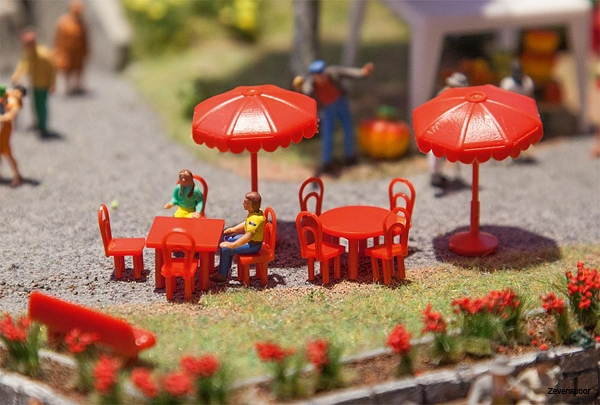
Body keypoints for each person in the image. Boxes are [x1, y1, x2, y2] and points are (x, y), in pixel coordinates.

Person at [293, 60, 374, 176]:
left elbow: (347, 73)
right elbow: (305, 93)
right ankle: (327, 163)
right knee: (327, 135)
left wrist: (362, 72)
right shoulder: (311, 85)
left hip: (341, 103)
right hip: (327, 109)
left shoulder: (333, 73)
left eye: (321, 74)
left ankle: (350, 158)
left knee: (348, 130)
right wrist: (300, 88)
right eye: (317, 76)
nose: (320, 78)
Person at [210, 192, 265, 283]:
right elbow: (246, 222)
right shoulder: (255, 213)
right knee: (227, 239)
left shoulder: (255, 220)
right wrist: (234, 229)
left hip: (253, 245)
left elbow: (248, 236)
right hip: (251, 241)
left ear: (252, 205)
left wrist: (233, 245)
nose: (243, 203)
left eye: (245, 202)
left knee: (226, 249)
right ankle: (224, 266)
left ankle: (222, 275)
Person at [11, 29, 56, 138]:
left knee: (41, 107)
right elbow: (24, 64)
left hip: (43, 85)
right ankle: (37, 123)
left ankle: (43, 128)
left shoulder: (43, 55)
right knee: (34, 105)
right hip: (34, 83)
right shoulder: (29, 53)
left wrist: (52, 84)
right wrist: (17, 75)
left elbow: (52, 69)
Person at [429, 72, 469, 188]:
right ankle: (435, 176)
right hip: (439, 127)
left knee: (443, 154)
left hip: (449, 127)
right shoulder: (444, 94)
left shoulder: (458, 96)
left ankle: (438, 174)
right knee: (436, 153)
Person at [53, 0, 89, 95]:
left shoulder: (81, 22)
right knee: (66, 69)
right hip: (66, 51)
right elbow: (57, 37)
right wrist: (56, 49)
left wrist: (86, 50)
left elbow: (85, 37)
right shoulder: (63, 21)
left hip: (78, 51)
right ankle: (66, 87)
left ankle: (77, 86)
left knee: (78, 69)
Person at [0, 85, 26, 187]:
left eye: (20, 93)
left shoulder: (15, 102)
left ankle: (17, 176)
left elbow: (11, 116)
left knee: (6, 152)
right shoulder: (9, 95)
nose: (17, 93)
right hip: (2, 127)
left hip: (5, 129)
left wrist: (1, 118)